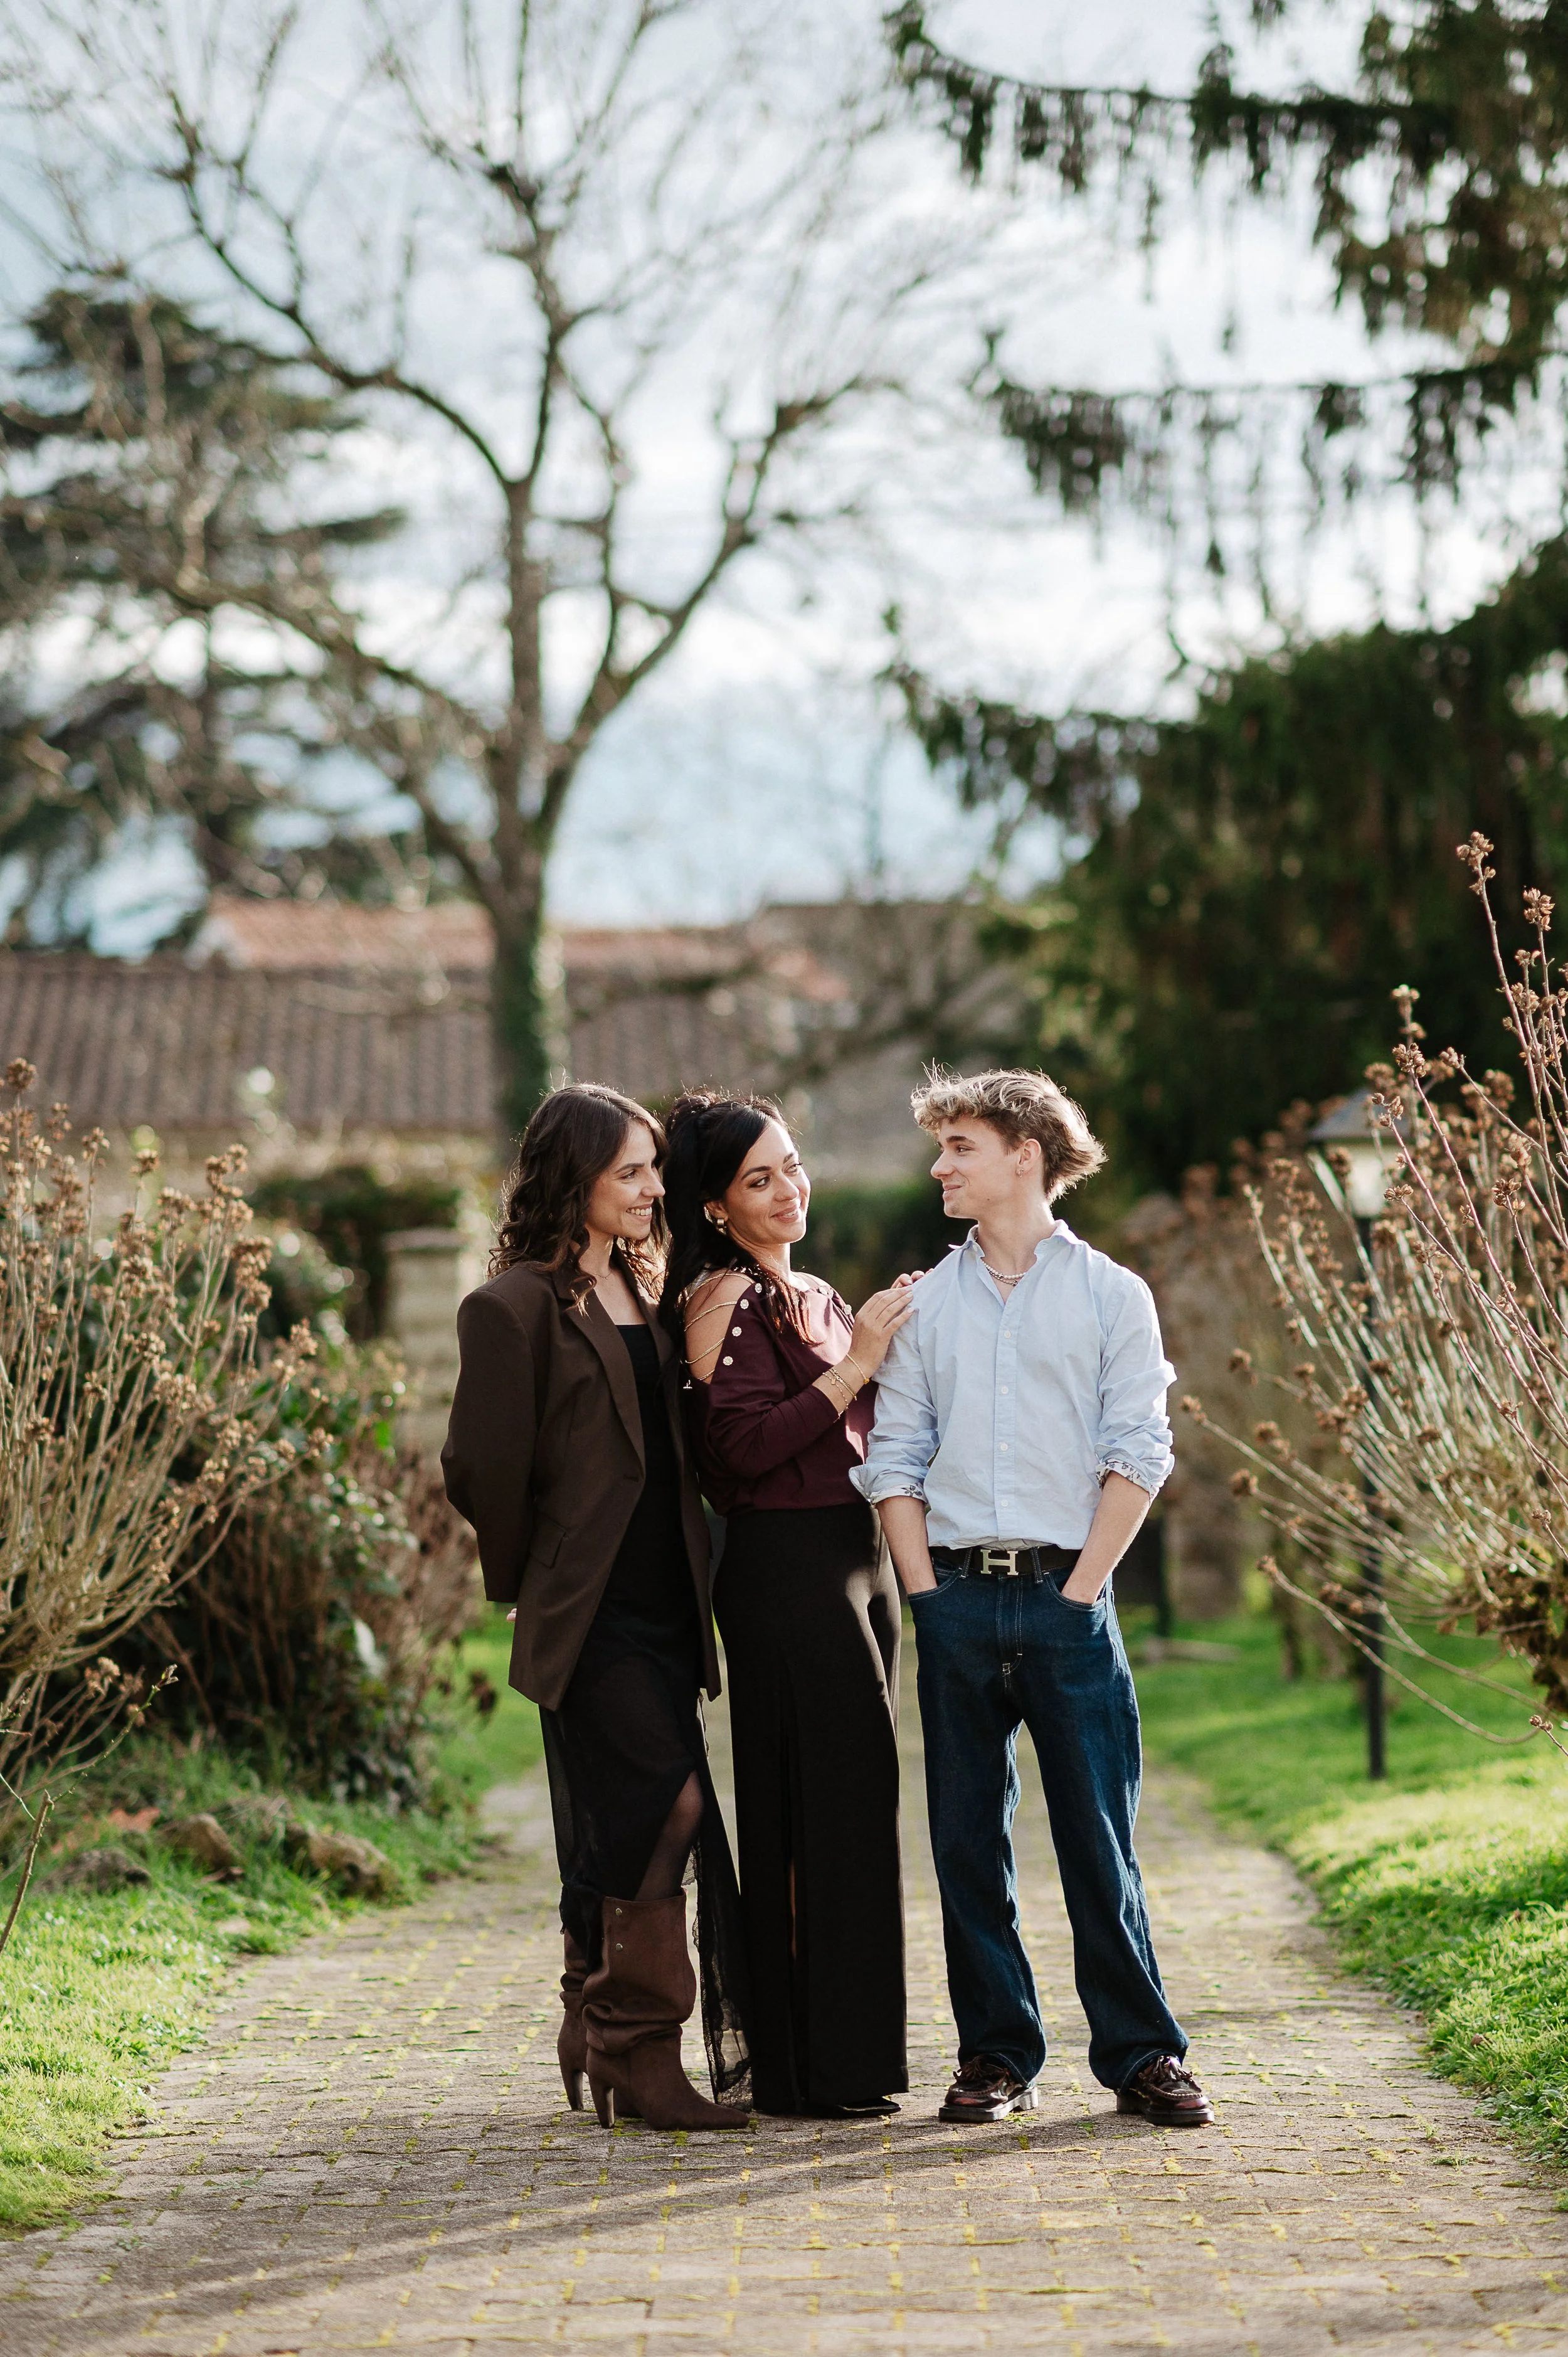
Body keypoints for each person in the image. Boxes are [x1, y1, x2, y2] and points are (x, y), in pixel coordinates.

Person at [854, 1068, 1213, 2130]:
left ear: (1026, 1151)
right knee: (967, 1845)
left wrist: (1080, 1591)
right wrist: (926, 1598)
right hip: (958, 1599)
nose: (939, 1166)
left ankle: (1145, 2056)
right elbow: (895, 1457)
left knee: (1100, 1843)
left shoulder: (1114, 1296)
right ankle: (997, 2056)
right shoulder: (923, 1304)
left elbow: (1141, 1453)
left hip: (1071, 1602)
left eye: (959, 1144)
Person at [442, 1083, 749, 2132]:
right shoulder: (511, 1307)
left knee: (627, 1817)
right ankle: (635, 2046)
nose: (653, 1188)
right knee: (673, 1809)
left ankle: (591, 2010)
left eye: (655, 1167)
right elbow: (478, 1468)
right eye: (631, 1171)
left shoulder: (646, 1287)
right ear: (573, 1180)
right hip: (592, 1610)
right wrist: (551, 1570)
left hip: (671, 1599)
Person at [660, 1091, 913, 2119]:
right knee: (808, 1816)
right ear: (717, 1206)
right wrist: (860, 1365)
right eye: (760, 1179)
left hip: (861, 1567)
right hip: (784, 1570)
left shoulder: (815, 1289)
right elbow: (738, 1452)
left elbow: (871, 1428)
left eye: (794, 1165)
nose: (790, 1189)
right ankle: (806, 2069)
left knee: (859, 1813)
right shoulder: (722, 1295)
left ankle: (857, 2061)